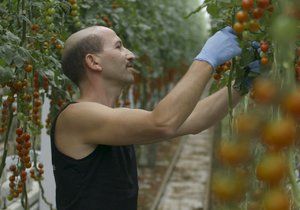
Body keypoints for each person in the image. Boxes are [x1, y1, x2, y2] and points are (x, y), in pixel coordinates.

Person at [50, 25, 259, 210]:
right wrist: (206, 59)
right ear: (93, 61)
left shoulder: (109, 119)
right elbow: (162, 123)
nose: (131, 55)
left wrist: (243, 81)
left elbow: (197, 119)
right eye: (118, 46)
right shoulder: (75, 116)